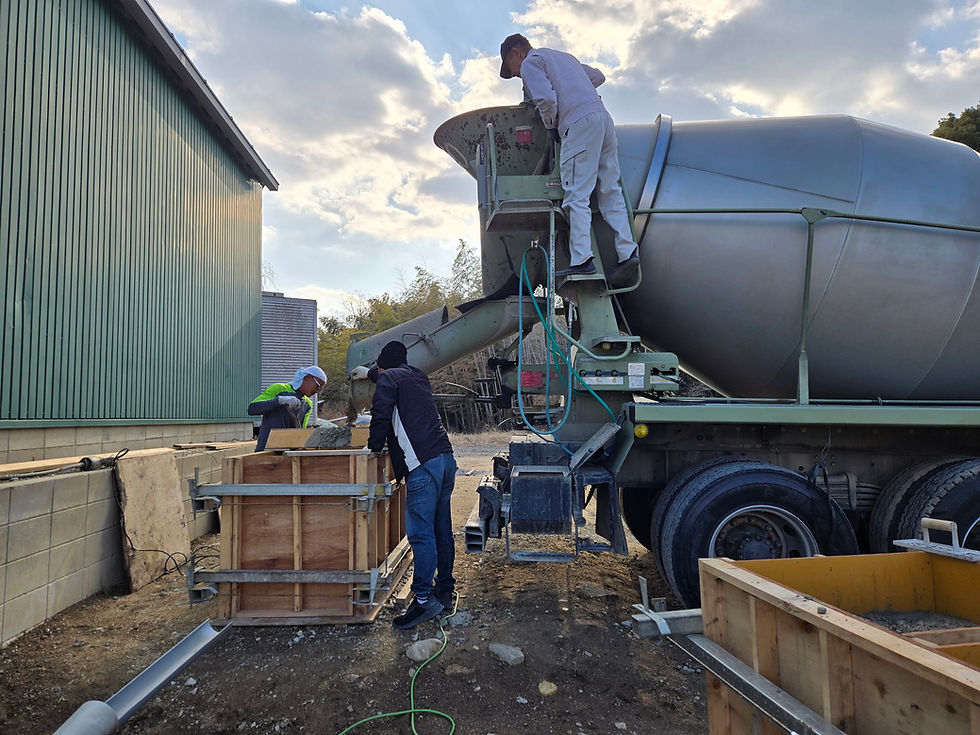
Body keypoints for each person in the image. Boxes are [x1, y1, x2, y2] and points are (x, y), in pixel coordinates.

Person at [499, 33, 640, 288]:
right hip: (603, 121)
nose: (518, 76)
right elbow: (598, 76)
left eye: (513, 70)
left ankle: (582, 260)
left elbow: (547, 99)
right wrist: (574, 87)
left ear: (515, 54)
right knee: (610, 190)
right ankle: (628, 252)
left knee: (576, 195)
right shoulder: (565, 58)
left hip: (578, 124)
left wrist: (550, 125)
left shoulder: (531, 62)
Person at [355, 340, 456, 629]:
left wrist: (373, 447)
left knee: (421, 535)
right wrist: (371, 373)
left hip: (421, 465)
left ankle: (423, 601)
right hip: (445, 458)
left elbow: (382, 413)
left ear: (384, 365)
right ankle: (444, 591)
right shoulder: (417, 375)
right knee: (441, 531)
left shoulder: (388, 377)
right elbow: (392, 376)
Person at [248, 366, 326, 451]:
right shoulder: (279, 389)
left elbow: (300, 431)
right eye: (317, 386)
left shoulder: (307, 404)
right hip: (266, 449)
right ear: (306, 378)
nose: (317, 391)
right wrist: (279, 400)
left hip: (288, 452)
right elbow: (252, 409)